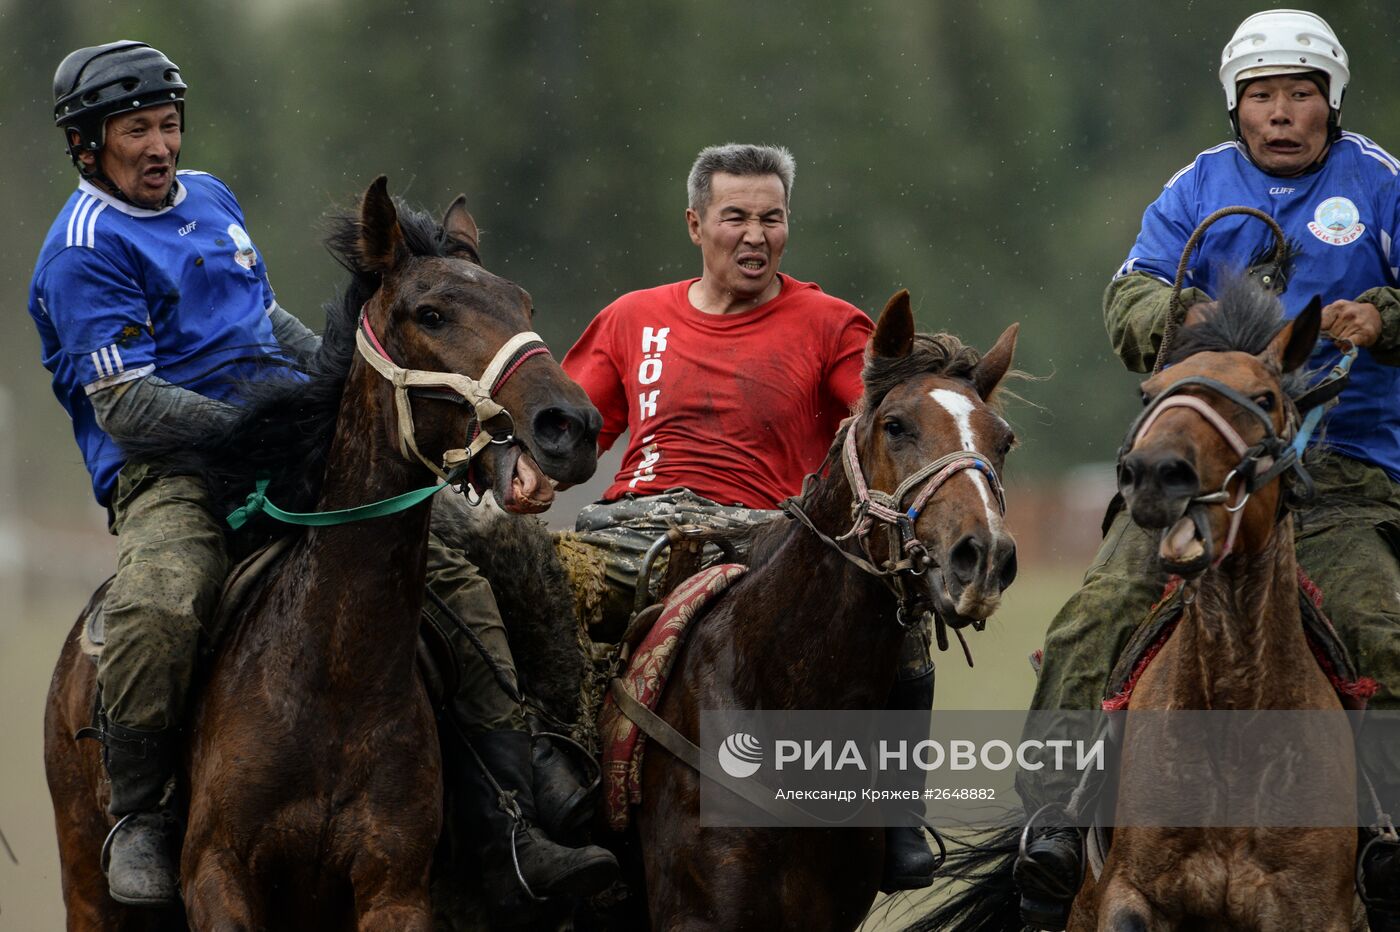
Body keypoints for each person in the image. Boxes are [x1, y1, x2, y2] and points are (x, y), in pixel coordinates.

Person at [31, 40, 614, 909]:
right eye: (134, 131)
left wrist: (339, 386)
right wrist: (263, 431)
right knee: (160, 600)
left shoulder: (211, 200)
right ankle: (142, 816)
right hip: (171, 471)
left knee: (464, 563)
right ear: (88, 147)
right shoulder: (83, 247)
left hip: (279, 436)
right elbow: (128, 406)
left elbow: (264, 320)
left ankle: (514, 812)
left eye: (167, 126)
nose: (159, 147)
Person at [1013, 11, 1400, 930]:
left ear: (1330, 103)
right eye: (1262, 96)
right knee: (1091, 618)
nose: (1281, 114)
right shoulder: (1194, 188)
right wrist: (1180, 315)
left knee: (1382, 629)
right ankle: (1048, 830)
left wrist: (1383, 311)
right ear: (1236, 107)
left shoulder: (1382, 184)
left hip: (1343, 470)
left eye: (1300, 94)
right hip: (1204, 473)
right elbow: (1131, 292)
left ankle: (1385, 841)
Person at [557, 143, 937, 890]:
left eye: (772, 218)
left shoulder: (830, 324)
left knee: (906, 612)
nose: (755, 235)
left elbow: (887, 417)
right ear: (696, 225)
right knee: (530, 597)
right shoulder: (632, 318)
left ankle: (898, 818)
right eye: (736, 217)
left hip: (759, 538)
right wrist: (529, 473)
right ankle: (537, 799)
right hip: (626, 529)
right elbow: (569, 434)